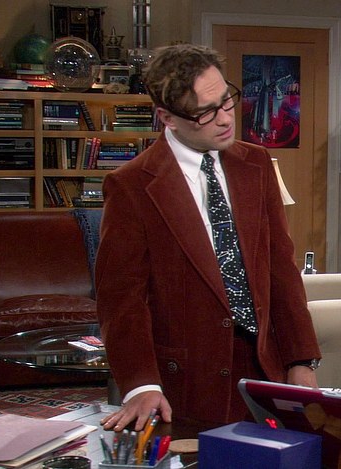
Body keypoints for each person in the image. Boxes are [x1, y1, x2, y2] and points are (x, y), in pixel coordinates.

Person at [96, 44, 321, 432]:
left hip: (264, 369)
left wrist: (300, 359)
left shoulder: (256, 164)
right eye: (205, 112)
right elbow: (122, 298)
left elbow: (281, 268)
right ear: (167, 117)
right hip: (187, 380)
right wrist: (140, 384)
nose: (225, 119)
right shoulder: (131, 185)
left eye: (227, 101)